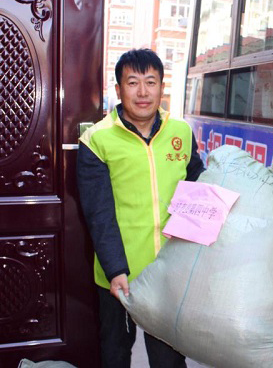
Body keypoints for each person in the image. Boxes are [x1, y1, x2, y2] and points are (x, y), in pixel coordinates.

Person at [77, 49, 204, 367]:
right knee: (116, 354)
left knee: (170, 358)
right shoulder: (97, 140)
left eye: (151, 82)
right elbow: (99, 213)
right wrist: (115, 269)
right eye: (133, 82)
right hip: (121, 275)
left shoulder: (181, 133)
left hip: (169, 272)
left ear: (162, 86)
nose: (143, 92)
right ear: (118, 90)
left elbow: (198, 186)